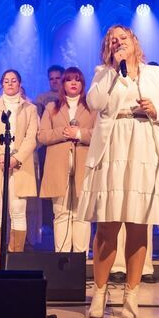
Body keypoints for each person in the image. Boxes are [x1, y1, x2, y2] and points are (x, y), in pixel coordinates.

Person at [77, 25, 159, 318]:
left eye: (123, 38)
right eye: (112, 40)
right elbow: (94, 103)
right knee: (108, 226)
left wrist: (155, 111)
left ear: (135, 41)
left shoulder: (156, 74)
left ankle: (131, 295)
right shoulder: (102, 72)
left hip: (145, 144)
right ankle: (99, 293)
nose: (118, 42)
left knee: (138, 223)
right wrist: (112, 70)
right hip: (113, 145)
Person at [0, 69, 39, 262]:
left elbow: (31, 138)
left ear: (20, 84)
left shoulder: (30, 109)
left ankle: (15, 261)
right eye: (6, 81)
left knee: (18, 211)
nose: (10, 83)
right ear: (1, 84)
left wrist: (16, 158)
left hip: (20, 165)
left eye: (14, 80)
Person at [37, 67, 95, 254]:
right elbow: (42, 136)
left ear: (82, 84)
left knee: (81, 215)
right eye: (69, 80)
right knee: (61, 213)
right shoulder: (52, 108)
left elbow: (101, 136)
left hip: (83, 167)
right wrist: (63, 133)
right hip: (58, 168)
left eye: (77, 80)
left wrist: (79, 133)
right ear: (63, 84)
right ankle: (61, 260)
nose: (73, 83)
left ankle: (80, 259)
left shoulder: (92, 108)